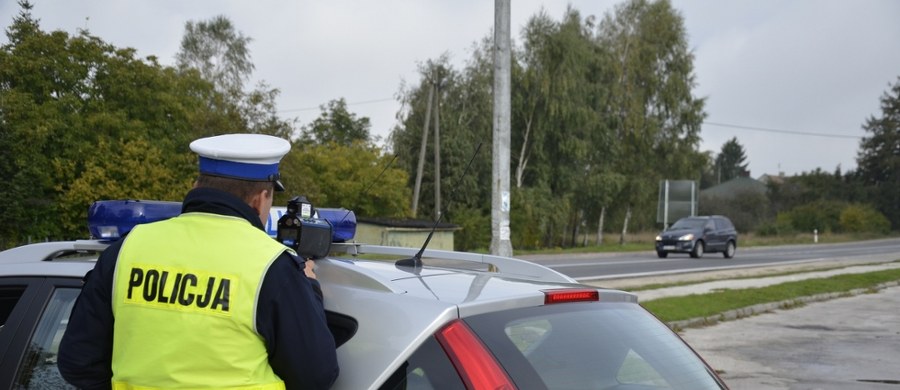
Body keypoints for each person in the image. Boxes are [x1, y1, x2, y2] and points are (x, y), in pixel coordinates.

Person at [58, 134, 339, 389]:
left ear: (196, 185)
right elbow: (316, 377)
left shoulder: (128, 248)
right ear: (260, 199)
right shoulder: (273, 265)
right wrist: (310, 288)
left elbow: (78, 363)